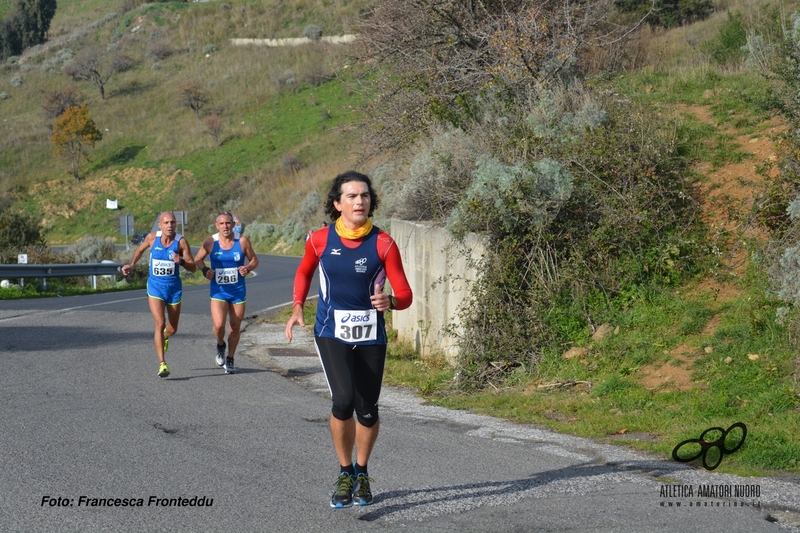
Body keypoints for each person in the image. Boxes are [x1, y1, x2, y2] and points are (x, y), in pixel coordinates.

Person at [285, 170, 413, 508]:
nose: (360, 201)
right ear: (337, 203)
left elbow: (405, 293)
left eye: (365, 196)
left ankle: (362, 471)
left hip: (371, 334)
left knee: (367, 410)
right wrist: (298, 306)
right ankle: (344, 472)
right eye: (352, 196)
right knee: (343, 401)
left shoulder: (383, 243)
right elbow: (303, 272)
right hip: (331, 330)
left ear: (371, 202)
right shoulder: (320, 240)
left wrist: (392, 302)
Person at [121, 211, 197, 378]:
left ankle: (164, 337)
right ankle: (162, 363)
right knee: (160, 322)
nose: (170, 225)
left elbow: (193, 267)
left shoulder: (181, 242)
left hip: (174, 288)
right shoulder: (151, 238)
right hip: (155, 287)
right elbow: (140, 250)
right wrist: (132, 265)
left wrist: (182, 261)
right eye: (167, 223)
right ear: (160, 225)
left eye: (173, 222)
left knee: (172, 328)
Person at [194, 212, 259, 374]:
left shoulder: (242, 241)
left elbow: (254, 260)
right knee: (218, 326)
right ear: (217, 226)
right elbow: (198, 259)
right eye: (222, 224)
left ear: (233, 224)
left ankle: (230, 359)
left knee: (235, 327)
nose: (225, 226)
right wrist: (205, 270)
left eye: (228, 223)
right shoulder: (210, 242)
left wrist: (247, 268)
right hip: (219, 291)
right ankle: (220, 344)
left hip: (238, 291)